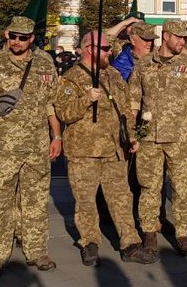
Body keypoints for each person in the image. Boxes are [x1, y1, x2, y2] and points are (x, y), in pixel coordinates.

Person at [56, 31, 157, 266]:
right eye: (105, 49)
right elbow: (64, 113)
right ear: (90, 49)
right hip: (84, 151)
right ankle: (89, 242)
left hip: (114, 149)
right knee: (86, 201)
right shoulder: (71, 78)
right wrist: (85, 99)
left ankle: (130, 244)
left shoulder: (112, 74)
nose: (110, 52)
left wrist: (131, 136)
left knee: (122, 197)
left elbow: (124, 110)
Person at [0, 16, 61, 275]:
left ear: (32, 38)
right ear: (6, 33)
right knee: (0, 201)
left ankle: (37, 251)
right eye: (13, 36)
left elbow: (50, 104)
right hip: (3, 147)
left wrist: (56, 136)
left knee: (36, 201)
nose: (17, 41)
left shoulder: (45, 62)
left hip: (37, 146)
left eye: (23, 37)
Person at [128, 19, 187, 256]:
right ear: (166, 36)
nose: (182, 42)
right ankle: (150, 233)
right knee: (149, 188)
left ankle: (183, 235)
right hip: (148, 138)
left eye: (184, 38)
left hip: (180, 138)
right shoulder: (144, 65)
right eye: (178, 37)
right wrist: (133, 133)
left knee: (181, 188)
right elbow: (133, 102)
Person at [108, 17, 154, 81]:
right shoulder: (121, 63)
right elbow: (105, 38)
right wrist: (123, 24)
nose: (150, 43)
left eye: (152, 39)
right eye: (145, 39)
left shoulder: (156, 55)